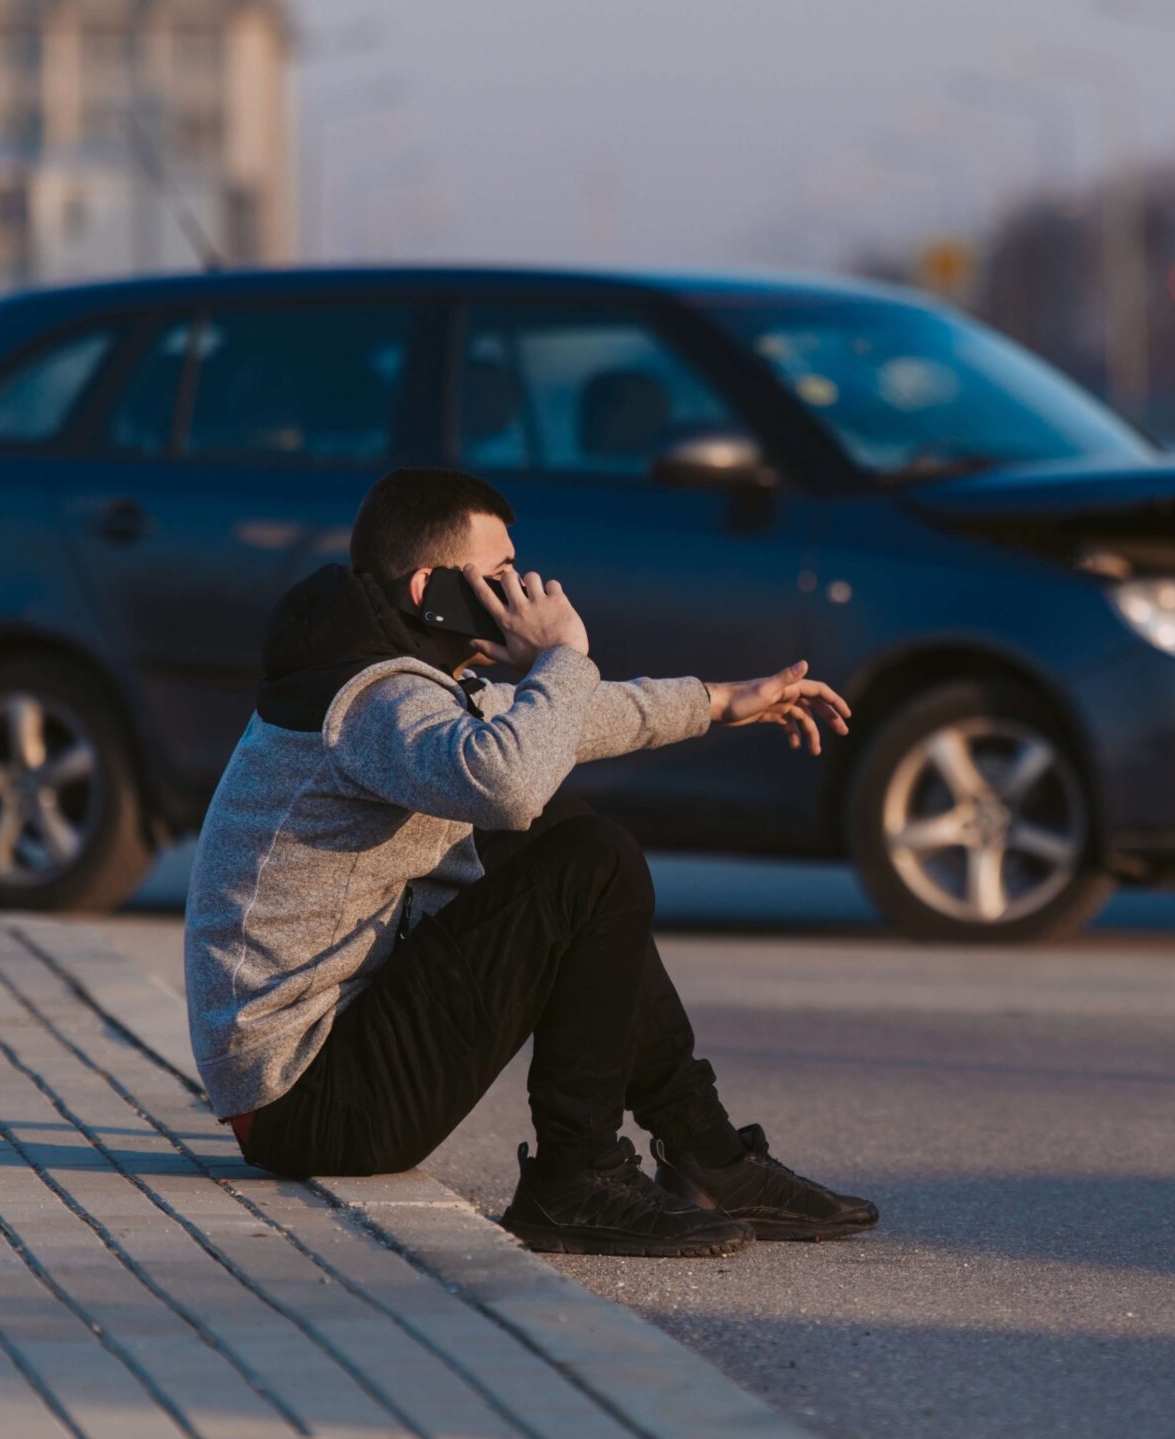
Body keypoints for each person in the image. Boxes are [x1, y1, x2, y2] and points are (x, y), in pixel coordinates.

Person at [184, 466, 875, 1258]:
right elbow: (510, 777)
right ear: (427, 587)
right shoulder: (375, 700)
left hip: (321, 1073)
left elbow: (546, 728)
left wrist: (722, 700)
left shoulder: (397, 677)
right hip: (307, 1098)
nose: (524, 590)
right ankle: (573, 1178)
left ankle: (705, 1150)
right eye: (500, 574)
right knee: (590, 857)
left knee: (563, 832)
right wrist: (565, 652)